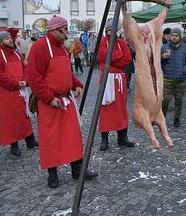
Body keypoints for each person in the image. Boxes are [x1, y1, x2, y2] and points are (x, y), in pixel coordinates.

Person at [28, 16, 97, 188]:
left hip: (66, 100)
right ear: (55, 30)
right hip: (49, 103)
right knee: (51, 139)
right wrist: (49, 99)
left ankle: (77, 170)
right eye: (64, 30)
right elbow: (35, 78)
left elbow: (67, 72)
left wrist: (76, 84)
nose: (67, 33)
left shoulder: (62, 48)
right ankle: (52, 174)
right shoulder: (40, 48)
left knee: (72, 137)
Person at [98, 19, 135, 151]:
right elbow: (102, 56)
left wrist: (112, 60)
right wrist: (116, 57)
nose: (112, 32)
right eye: (110, 30)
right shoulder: (102, 42)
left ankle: (122, 137)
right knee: (106, 107)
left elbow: (127, 59)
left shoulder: (122, 43)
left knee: (121, 108)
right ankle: (104, 139)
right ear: (107, 30)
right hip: (107, 79)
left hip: (119, 79)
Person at [0, 31, 38, 156]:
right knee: (11, 118)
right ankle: (14, 144)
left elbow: (25, 68)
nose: (10, 40)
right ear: (1, 42)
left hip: (21, 90)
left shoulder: (17, 54)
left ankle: (30, 140)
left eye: (10, 37)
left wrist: (26, 81)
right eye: (6, 38)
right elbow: (1, 75)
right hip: (7, 93)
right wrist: (16, 84)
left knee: (26, 115)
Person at [161, 27, 186, 127]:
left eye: (176, 36)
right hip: (167, 78)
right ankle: (162, 120)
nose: (174, 37)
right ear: (170, 36)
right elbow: (157, 62)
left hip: (180, 79)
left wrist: (183, 70)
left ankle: (177, 119)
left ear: (180, 37)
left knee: (179, 100)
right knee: (165, 101)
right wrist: (162, 57)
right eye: (172, 35)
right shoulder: (164, 47)